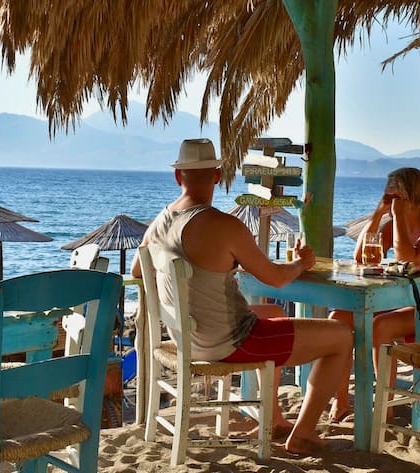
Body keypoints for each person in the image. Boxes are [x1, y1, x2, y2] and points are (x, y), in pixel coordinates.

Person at [130, 138, 353, 455]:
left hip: (186, 339)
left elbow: (140, 270)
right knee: (342, 336)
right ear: (218, 176)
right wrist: (302, 263)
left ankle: (274, 418)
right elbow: (275, 278)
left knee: (269, 312)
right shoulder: (225, 226)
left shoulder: (160, 222)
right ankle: (303, 433)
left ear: (178, 177)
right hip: (232, 341)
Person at [328, 167, 420, 422]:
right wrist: (378, 214)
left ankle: (384, 409)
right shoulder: (393, 225)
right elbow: (360, 257)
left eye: (395, 197)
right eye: (387, 197)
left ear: (413, 196)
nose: (390, 202)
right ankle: (341, 401)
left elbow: (406, 257)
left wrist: (398, 215)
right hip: (409, 304)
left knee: (381, 326)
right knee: (339, 318)